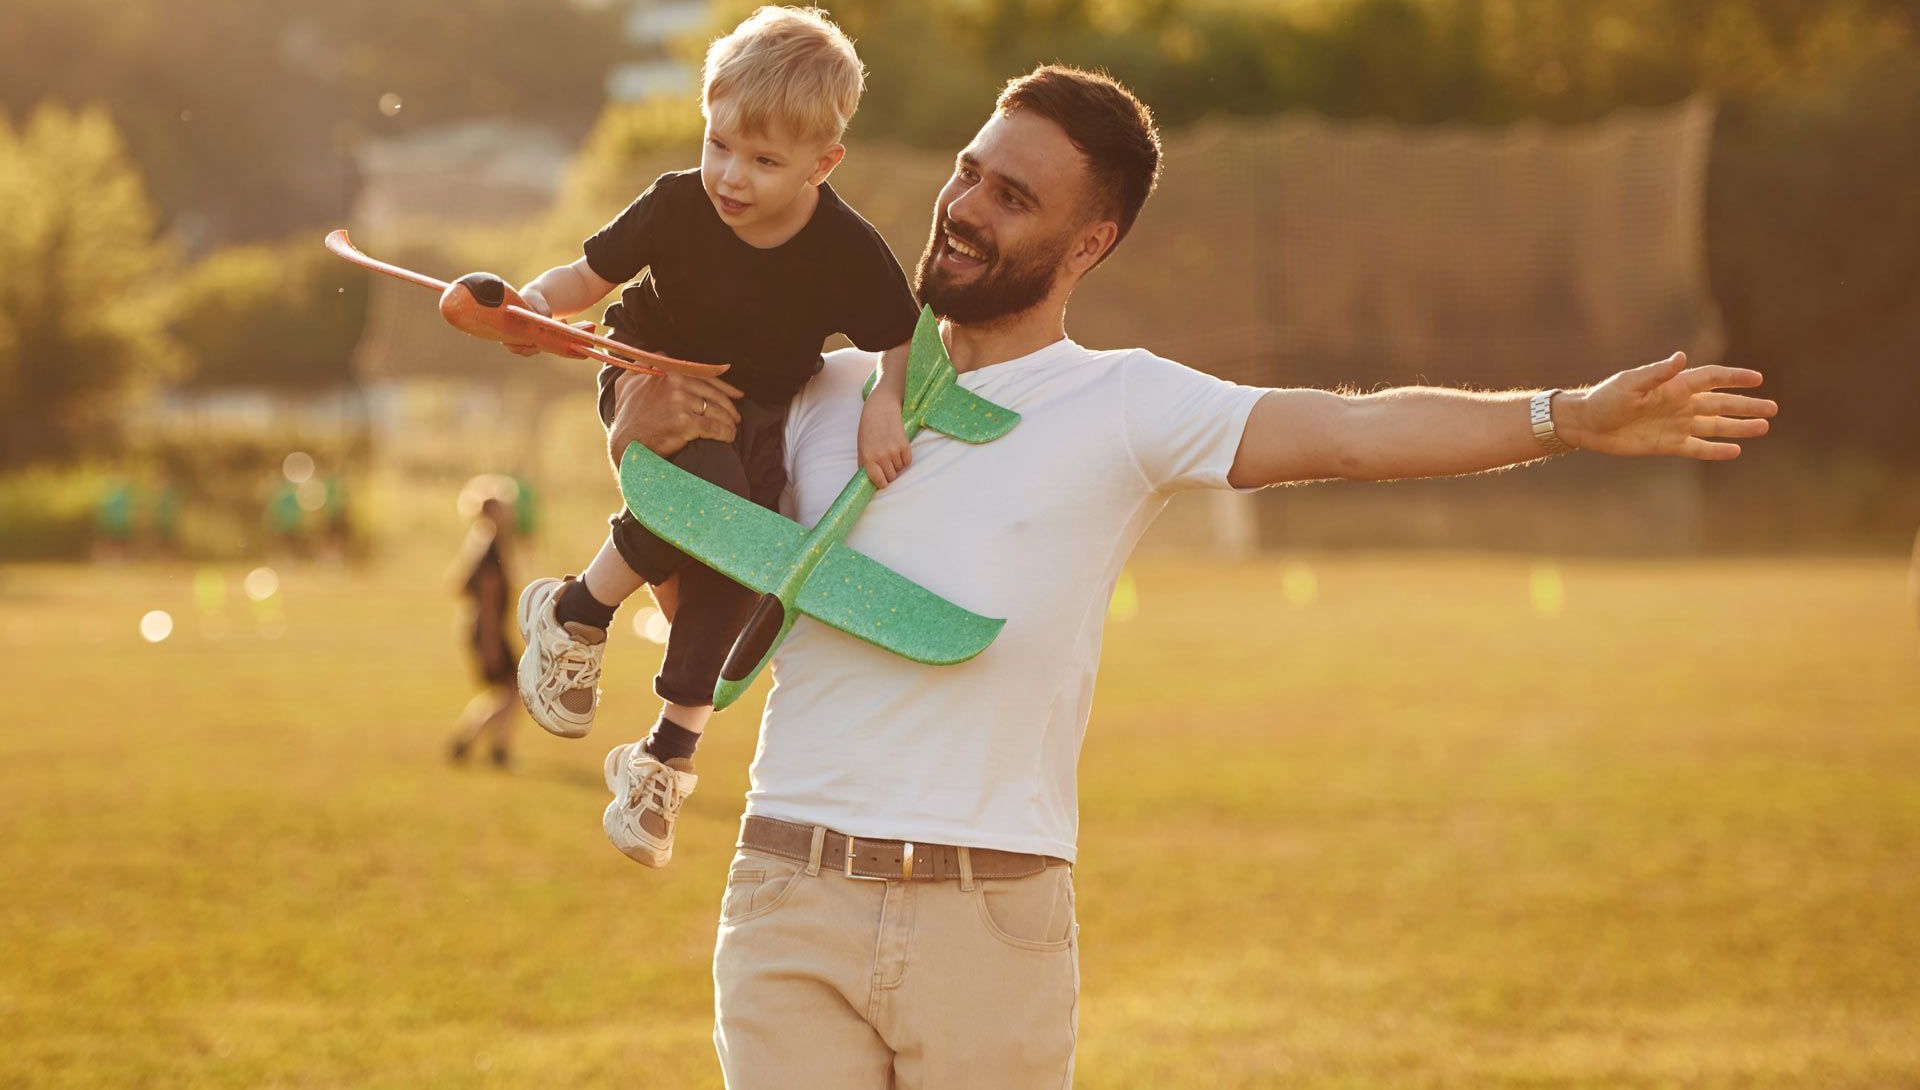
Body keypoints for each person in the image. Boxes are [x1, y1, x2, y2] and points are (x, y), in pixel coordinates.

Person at [609, 64, 1780, 1088]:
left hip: (987, 910)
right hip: (787, 888)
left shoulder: (1122, 401)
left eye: (1012, 197)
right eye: (969, 173)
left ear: (1089, 244)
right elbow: (703, 612)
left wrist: (1562, 415)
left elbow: (1348, 433)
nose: (964, 210)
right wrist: (635, 436)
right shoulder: (818, 390)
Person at [508, 5, 922, 866]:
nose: (731, 176)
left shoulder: (845, 248)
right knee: (713, 494)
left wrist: (886, 403)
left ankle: (663, 758)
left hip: (755, 414)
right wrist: (536, 308)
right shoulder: (675, 205)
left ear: (824, 162)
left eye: (765, 161)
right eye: (719, 144)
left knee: (738, 571)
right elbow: (584, 276)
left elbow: (900, 335)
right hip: (652, 370)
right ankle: (578, 614)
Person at [446, 476, 522, 768]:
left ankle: (477, 743)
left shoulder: (481, 542)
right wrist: (490, 640)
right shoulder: (490, 547)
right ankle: (487, 746)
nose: (509, 513)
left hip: (481, 629)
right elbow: (488, 601)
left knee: (504, 691)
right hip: (487, 631)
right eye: (503, 508)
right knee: (513, 689)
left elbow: (461, 585)